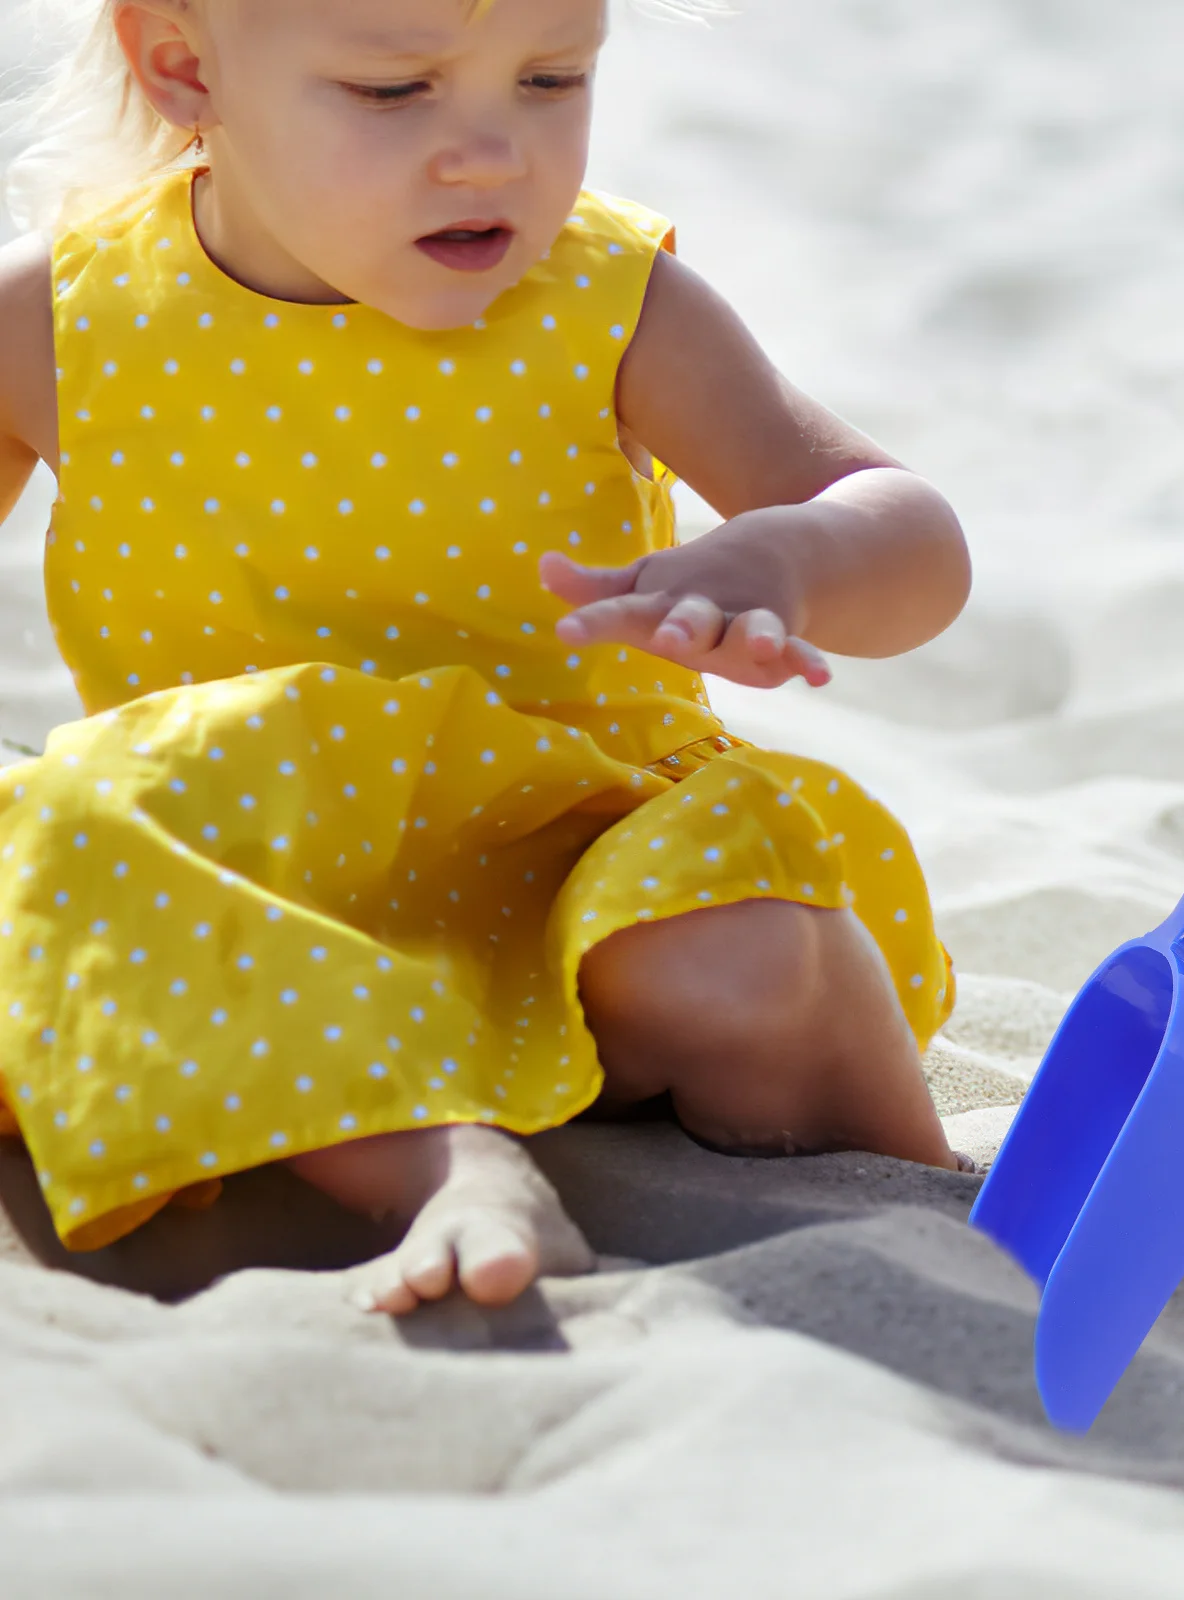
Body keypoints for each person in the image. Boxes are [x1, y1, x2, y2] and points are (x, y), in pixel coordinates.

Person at [0, 0, 972, 1314]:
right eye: (396, 92)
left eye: (551, 78)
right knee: (59, 842)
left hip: (577, 857)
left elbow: (911, 536)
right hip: (249, 895)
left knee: (738, 960)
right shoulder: (60, 320)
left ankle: (920, 1207)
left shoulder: (607, 305)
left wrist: (786, 562)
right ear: (182, 65)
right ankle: (441, 1164)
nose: (492, 152)